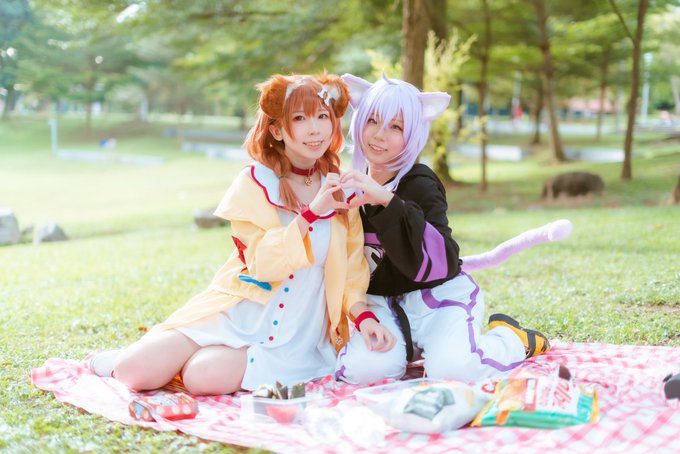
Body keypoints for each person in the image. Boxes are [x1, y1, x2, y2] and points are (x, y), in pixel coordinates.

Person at [89, 73, 396, 395]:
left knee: (201, 377)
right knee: (133, 371)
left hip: (295, 337)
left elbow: (351, 271)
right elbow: (263, 264)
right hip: (240, 312)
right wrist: (310, 214)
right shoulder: (254, 183)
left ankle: (182, 362)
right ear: (277, 130)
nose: (315, 129)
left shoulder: (342, 188)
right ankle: (146, 357)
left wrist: (364, 317)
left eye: (322, 116)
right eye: (300, 118)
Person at [335, 72, 550, 385]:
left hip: (436, 300)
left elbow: (442, 260)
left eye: (396, 127)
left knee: (453, 371)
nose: (380, 135)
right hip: (382, 305)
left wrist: (387, 201)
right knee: (365, 371)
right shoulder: (347, 187)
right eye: (372, 121)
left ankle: (511, 338)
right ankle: (406, 351)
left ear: (413, 134)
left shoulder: (421, 184)